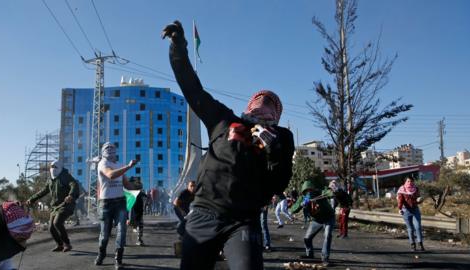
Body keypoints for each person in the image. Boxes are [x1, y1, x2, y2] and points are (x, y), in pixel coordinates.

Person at [162, 21, 295, 270]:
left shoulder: (281, 138)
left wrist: (272, 148)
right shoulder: (224, 120)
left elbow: (278, 182)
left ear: (276, 118)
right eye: (258, 106)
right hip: (203, 212)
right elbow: (192, 89)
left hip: (243, 221)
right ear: (248, 108)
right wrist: (178, 48)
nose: (262, 112)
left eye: (269, 111)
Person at [94, 142, 139, 270]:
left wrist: (136, 189)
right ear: (103, 151)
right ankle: (101, 254)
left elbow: (125, 183)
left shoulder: (119, 165)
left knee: (122, 231)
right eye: (107, 148)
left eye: (112, 148)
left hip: (120, 202)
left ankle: (118, 259)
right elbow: (111, 175)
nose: (110, 150)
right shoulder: (102, 164)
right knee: (105, 234)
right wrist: (129, 166)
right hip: (106, 203)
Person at [26, 160, 79, 252]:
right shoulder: (50, 180)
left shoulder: (65, 176)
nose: (53, 169)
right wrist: (32, 199)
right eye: (51, 167)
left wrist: (70, 195)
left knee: (57, 223)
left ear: (60, 168)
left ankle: (67, 244)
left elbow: (73, 185)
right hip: (55, 206)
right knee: (51, 228)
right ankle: (60, 244)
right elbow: (43, 191)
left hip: (66, 205)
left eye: (55, 167)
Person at [291, 180, 335, 267]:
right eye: (306, 191)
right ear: (304, 192)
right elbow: (293, 209)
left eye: (310, 190)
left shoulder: (320, 193)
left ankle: (325, 258)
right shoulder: (303, 198)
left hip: (328, 218)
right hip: (317, 220)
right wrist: (301, 205)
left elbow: (328, 193)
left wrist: (332, 191)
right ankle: (309, 253)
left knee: (327, 235)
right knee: (307, 238)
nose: (309, 192)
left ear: (313, 189)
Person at [0, 202, 34, 270]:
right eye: (20, 239)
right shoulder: (0, 247)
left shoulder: (0, 251)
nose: (24, 246)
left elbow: (5, 266)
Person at [397, 177, 425, 251]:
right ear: (405, 182)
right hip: (406, 210)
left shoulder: (416, 189)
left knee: (418, 227)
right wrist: (399, 209)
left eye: (411, 181)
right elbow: (400, 200)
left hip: (415, 209)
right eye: (408, 181)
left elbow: (419, 197)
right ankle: (413, 244)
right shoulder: (401, 190)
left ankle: (420, 244)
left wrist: (420, 200)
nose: (410, 182)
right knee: (410, 229)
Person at [127, 177, 146, 246]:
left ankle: (123, 241)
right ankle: (139, 240)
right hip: (136, 208)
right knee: (139, 224)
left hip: (133, 208)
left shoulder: (128, 188)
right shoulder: (137, 188)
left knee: (126, 225)